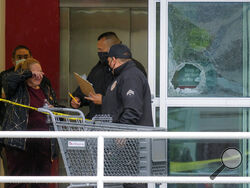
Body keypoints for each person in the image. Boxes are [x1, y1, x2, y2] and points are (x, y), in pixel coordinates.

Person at [85, 44, 153, 188]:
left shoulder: (131, 76)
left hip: (132, 144)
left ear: (114, 60)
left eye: (109, 61)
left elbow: (133, 109)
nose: (109, 65)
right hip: (125, 144)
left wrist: (122, 132)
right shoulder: (124, 75)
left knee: (133, 182)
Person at [2, 58, 58, 188]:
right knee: (17, 183)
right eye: (34, 73)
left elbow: (56, 108)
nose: (39, 76)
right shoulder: (17, 89)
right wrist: (28, 74)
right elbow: (7, 80)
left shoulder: (46, 88)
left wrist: (53, 109)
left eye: (41, 72)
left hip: (44, 145)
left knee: (41, 184)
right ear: (25, 74)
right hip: (20, 144)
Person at [71, 32, 147, 119]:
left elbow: (131, 104)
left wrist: (104, 101)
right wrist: (77, 98)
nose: (99, 53)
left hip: (118, 126)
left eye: (100, 50)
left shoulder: (133, 71)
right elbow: (86, 88)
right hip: (97, 123)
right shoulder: (98, 68)